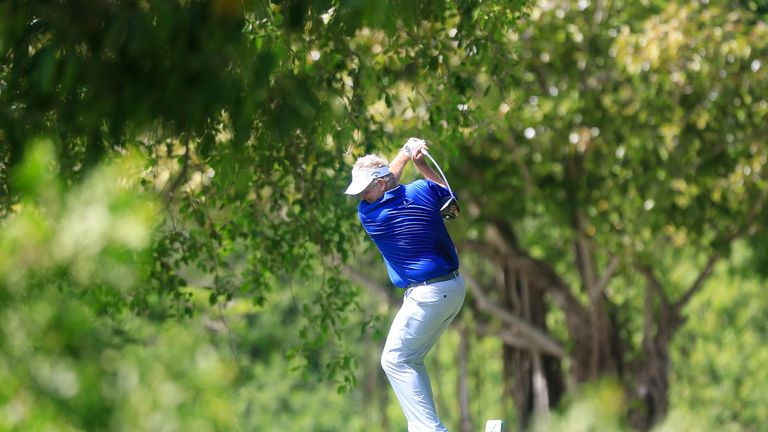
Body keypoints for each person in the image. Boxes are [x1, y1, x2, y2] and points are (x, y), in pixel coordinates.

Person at [344, 138, 465, 432]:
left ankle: (431, 430)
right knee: (410, 359)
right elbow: (448, 196)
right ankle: (421, 427)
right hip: (454, 289)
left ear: (381, 183)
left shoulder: (372, 214)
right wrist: (417, 160)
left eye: (365, 189)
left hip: (427, 295)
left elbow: (391, 178)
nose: (362, 197)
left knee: (394, 359)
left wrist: (407, 154)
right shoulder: (422, 191)